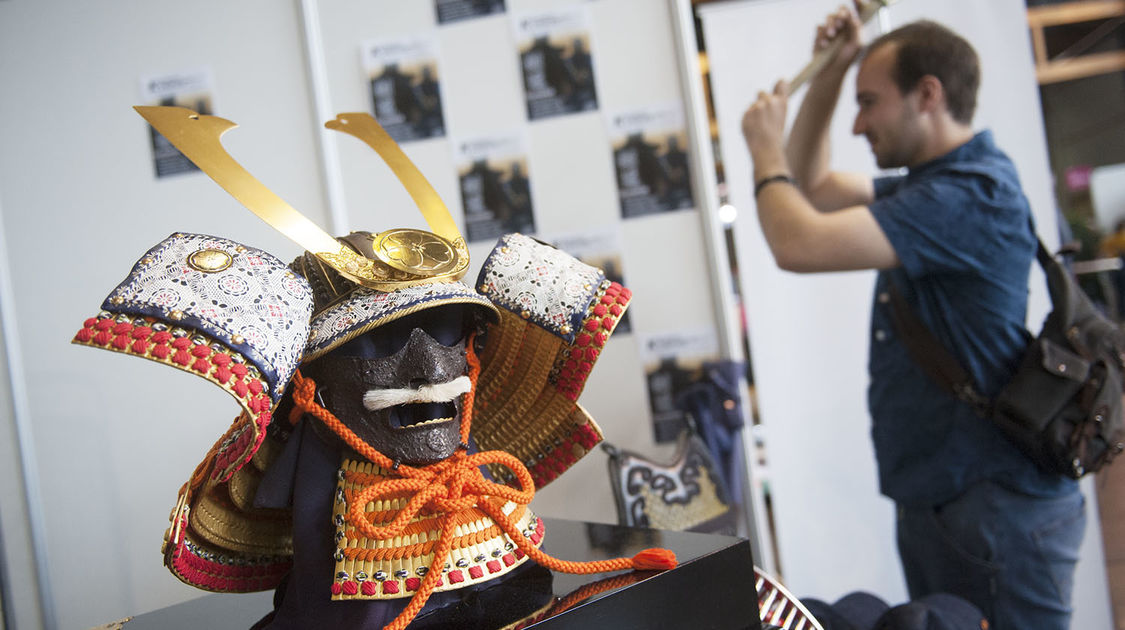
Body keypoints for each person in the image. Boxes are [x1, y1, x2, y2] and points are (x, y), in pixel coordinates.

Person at [739, 6, 1084, 630]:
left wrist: (765, 151)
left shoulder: (968, 195)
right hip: (950, 498)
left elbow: (799, 242)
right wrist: (834, 71)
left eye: (869, 101)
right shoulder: (933, 185)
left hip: (991, 501)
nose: (858, 120)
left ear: (928, 94)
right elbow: (814, 185)